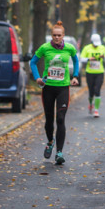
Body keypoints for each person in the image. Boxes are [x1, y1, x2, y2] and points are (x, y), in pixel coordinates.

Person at [29, 20, 79, 165]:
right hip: (48, 88)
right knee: (49, 120)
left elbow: (76, 61)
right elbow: (33, 62)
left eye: (59, 35)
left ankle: (59, 152)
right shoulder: (45, 48)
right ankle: (50, 141)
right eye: (54, 35)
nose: (57, 38)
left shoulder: (69, 48)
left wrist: (75, 76)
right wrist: (37, 77)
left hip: (63, 87)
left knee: (61, 119)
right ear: (51, 36)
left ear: (63, 35)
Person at [80, 33, 105, 117]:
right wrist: (89, 59)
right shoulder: (86, 48)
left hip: (100, 72)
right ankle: (90, 103)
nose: (96, 46)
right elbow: (82, 59)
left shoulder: (102, 47)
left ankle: (96, 110)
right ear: (91, 41)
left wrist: (103, 57)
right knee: (91, 92)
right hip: (90, 72)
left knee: (97, 91)